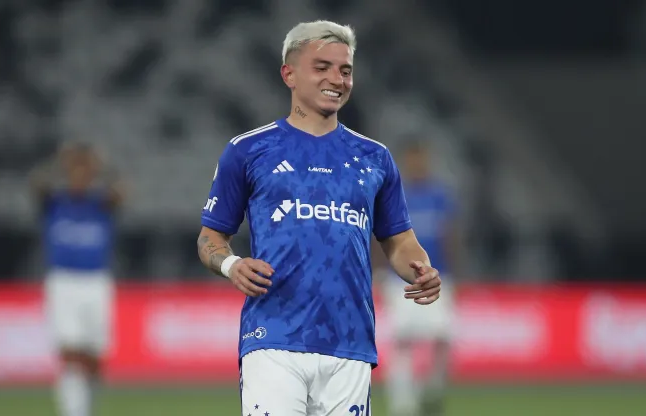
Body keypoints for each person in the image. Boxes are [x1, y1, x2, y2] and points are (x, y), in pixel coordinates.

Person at [198, 20, 442, 416]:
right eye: (322, 66)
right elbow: (210, 237)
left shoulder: (375, 158)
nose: (337, 78)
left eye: (345, 70)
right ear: (289, 74)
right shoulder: (248, 151)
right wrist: (231, 264)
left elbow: (398, 240)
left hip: (350, 340)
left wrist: (422, 269)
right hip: (273, 337)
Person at [30, 142, 125, 416]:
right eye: (74, 171)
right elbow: (36, 183)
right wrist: (59, 161)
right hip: (63, 282)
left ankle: (86, 406)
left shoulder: (102, 204)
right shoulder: (54, 203)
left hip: (96, 283)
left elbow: (123, 189)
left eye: (85, 171)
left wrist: (102, 165)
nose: (79, 177)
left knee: (94, 358)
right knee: (69, 350)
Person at [378, 139, 462, 416]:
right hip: (400, 279)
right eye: (413, 159)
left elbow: (449, 235)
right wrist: (377, 271)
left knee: (443, 337)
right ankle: (403, 404)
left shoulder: (440, 196)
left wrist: (455, 272)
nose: (418, 165)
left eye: (422, 159)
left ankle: (433, 390)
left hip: (438, 277)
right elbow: (381, 237)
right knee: (403, 339)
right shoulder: (394, 195)